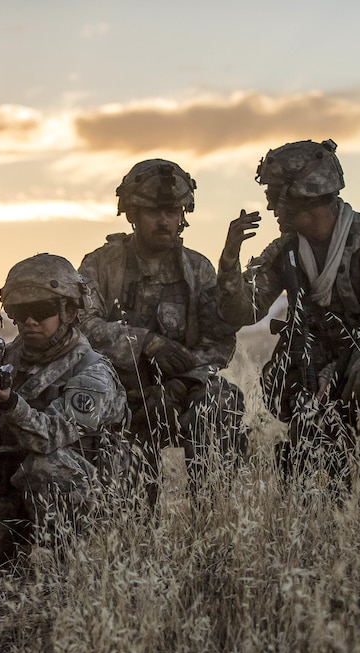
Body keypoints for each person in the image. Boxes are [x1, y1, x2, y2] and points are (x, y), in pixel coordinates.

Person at [219, 139, 360, 483]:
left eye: (277, 198)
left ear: (304, 197)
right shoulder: (287, 249)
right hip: (314, 367)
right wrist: (229, 257)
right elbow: (242, 312)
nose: (272, 210)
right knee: (285, 381)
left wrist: (334, 370)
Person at [0, 254, 128, 580]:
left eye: (43, 311)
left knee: (43, 466)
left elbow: (49, 435)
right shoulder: (2, 360)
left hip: (83, 497)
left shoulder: (92, 372)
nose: (30, 322)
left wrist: (9, 405)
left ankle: (71, 564)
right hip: (9, 493)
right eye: (20, 313)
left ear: (70, 311)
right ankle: (15, 555)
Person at [78, 159, 245, 492]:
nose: (164, 221)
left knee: (221, 400)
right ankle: (133, 529)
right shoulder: (101, 264)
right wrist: (146, 342)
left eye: (172, 212)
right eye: (154, 212)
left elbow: (220, 341)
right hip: (122, 394)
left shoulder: (196, 268)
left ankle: (216, 518)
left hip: (183, 390)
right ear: (133, 215)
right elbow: (82, 327)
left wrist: (182, 383)